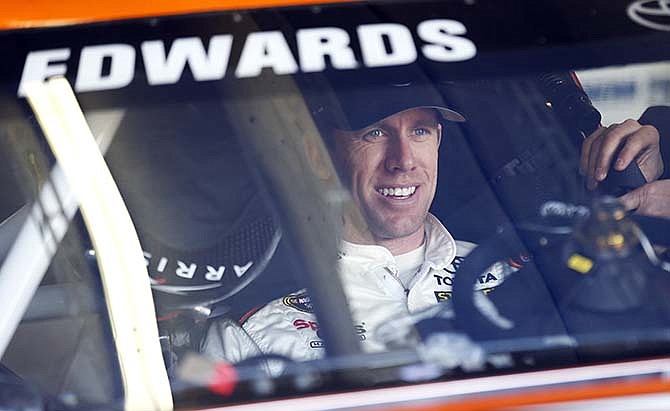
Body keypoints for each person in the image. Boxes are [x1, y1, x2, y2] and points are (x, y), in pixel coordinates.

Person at [201, 78, 516, 369]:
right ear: (318, 153)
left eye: (419, 131)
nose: (403, 160)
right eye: (375, 133)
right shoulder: (249, 333)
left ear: (438, 141)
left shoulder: (512, 275)